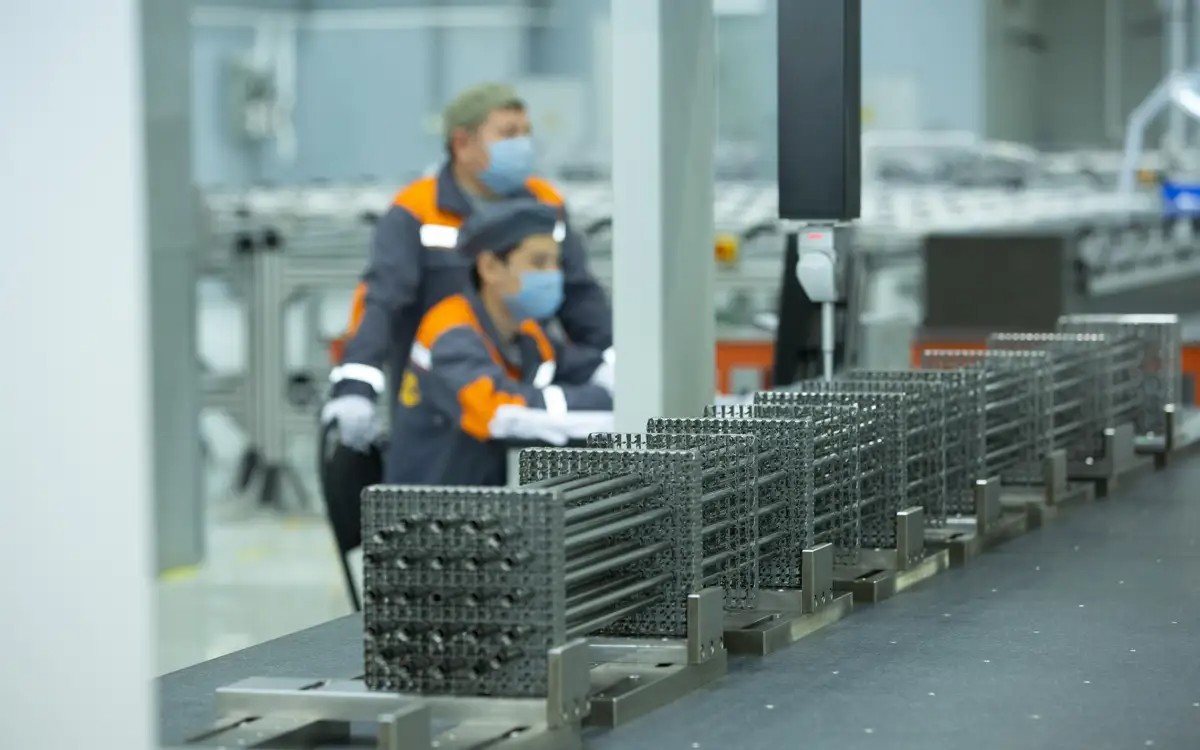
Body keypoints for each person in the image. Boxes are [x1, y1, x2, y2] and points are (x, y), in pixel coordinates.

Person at [323, 82, 612, 452]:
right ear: (462, 143)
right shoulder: (417, 210)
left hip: (521, 382)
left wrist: (614, 368)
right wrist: (355, 388)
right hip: (439, 397)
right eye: (508, 133)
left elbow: (581, 299)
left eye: (526, 132)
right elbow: (382, 302)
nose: (523, 144)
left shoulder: (545, 204)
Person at [385, 200, 614, 485]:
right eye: (538, 263)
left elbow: (581, 366)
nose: (553, 275)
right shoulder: (449, 333)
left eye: (556, 263)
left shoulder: (528, 331)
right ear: (490, 267)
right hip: (431, 504)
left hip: (489, 496)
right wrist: (605, 401)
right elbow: (499, 413)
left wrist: (624, 383)